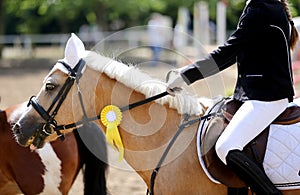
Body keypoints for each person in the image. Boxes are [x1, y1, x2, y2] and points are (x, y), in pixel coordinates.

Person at [167, 0, 298, 194]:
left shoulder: (261, 8)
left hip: (266, 97)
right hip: (258, 93)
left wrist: (187, 76)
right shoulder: (266, 6)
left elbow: (228, 52)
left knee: (226, 146)